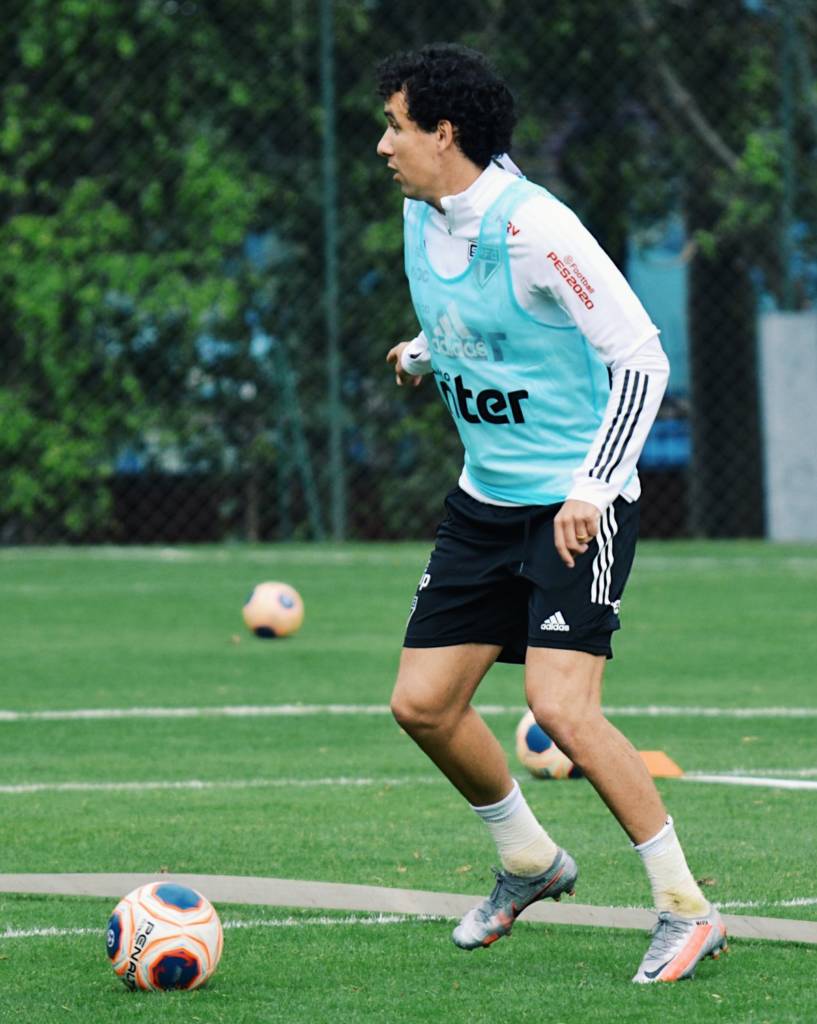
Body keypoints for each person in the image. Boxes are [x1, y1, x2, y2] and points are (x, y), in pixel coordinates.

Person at [375, 43, 726, 983]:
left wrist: (592, 488)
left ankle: (686, 909)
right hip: (484, 502)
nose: (382, 145)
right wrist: (425, 350)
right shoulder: (421, 215)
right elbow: (488, 320)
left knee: (560, 706)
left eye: (395, 127)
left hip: (574, 506)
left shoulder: (536, 228)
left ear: (443, 133)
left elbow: (640, 358)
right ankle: (530, 861)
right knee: (422, 705)